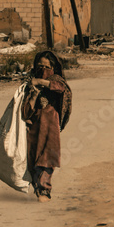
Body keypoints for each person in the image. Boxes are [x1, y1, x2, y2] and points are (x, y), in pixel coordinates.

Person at [21, 51, 72, 202]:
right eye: (40, 66)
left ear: (53, 68)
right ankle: (38, 188)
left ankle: (45, 189)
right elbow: (25, 112)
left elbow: (61, 88)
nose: (43, 70)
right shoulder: (29, 84)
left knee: (48, 158)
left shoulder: (56, 81)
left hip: (50, 125)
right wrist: (34, 94)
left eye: (47, 67)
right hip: (34, 127)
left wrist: (41, 82)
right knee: (34, 159)